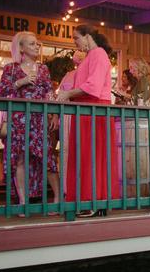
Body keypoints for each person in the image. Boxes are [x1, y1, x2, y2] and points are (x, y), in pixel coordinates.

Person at [56, 25, 119, 217]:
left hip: (94, 109)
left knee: (93, 155)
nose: (75, 42)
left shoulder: (98, 54)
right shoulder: (90, 56)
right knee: (84, 155)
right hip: (84, 109)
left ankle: (96, 199)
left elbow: (94, 85)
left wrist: (67, 94)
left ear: (88, 36)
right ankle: (87, 199)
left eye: (76, 38)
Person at [0, 32, 59, 214]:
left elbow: (49, 93)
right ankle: (23, 201)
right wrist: (20, 82)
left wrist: (54, 114)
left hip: (39, 120)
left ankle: (56, 198)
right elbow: (1, 90)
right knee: (20, 160)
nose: (36, 46)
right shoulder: (11, 69)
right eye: (32, 44)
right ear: (21, 48)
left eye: (37, 44)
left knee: (47, 158)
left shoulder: (43, 69)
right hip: (18, 120)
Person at [57, 50, 85, 196]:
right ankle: (71, 187)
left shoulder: (70, 75)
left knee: (69, 150)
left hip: (70, 114)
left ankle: (68, 187)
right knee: (73, 150)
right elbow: (60, 95)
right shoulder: (73, 75)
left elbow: (59, 96)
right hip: (73, 114)